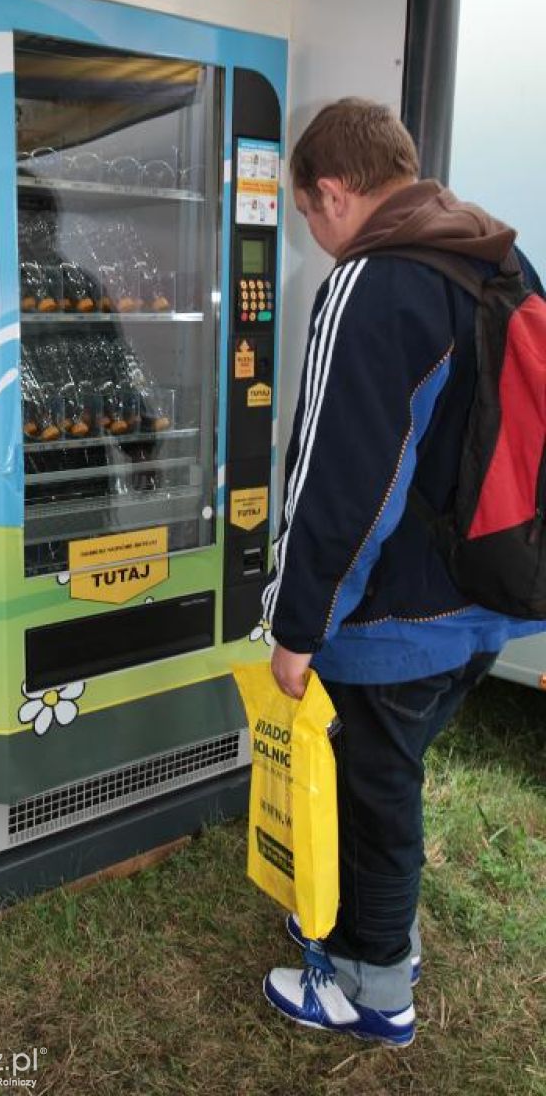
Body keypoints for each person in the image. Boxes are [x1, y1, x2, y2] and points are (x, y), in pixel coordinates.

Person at [260, 98, 545, 1047]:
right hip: (484, 599)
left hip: (391, 624)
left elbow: (344, 486)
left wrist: (298, 628)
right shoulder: (493, 258)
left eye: (307, 213)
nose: (314, 234)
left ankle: (371, 990)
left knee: (370, 798)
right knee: (392, 783)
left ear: (334, 191)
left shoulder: (373, 283)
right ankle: (388, 940)